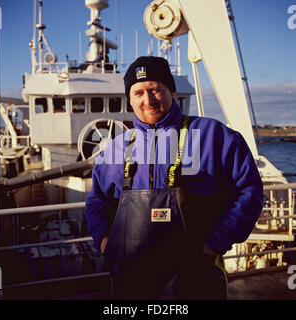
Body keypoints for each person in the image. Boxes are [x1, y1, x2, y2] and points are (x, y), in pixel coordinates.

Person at [85, 56, 263, 300]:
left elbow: (249, 191)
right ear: (129, 99)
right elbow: (97, 200)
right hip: (133, 280)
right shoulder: (116, 149)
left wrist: (214, 243)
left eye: (155, 90)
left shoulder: (216, 137)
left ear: (172, 91)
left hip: (197, 277)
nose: (147, 100)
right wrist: (105, 242)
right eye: (138, 93)